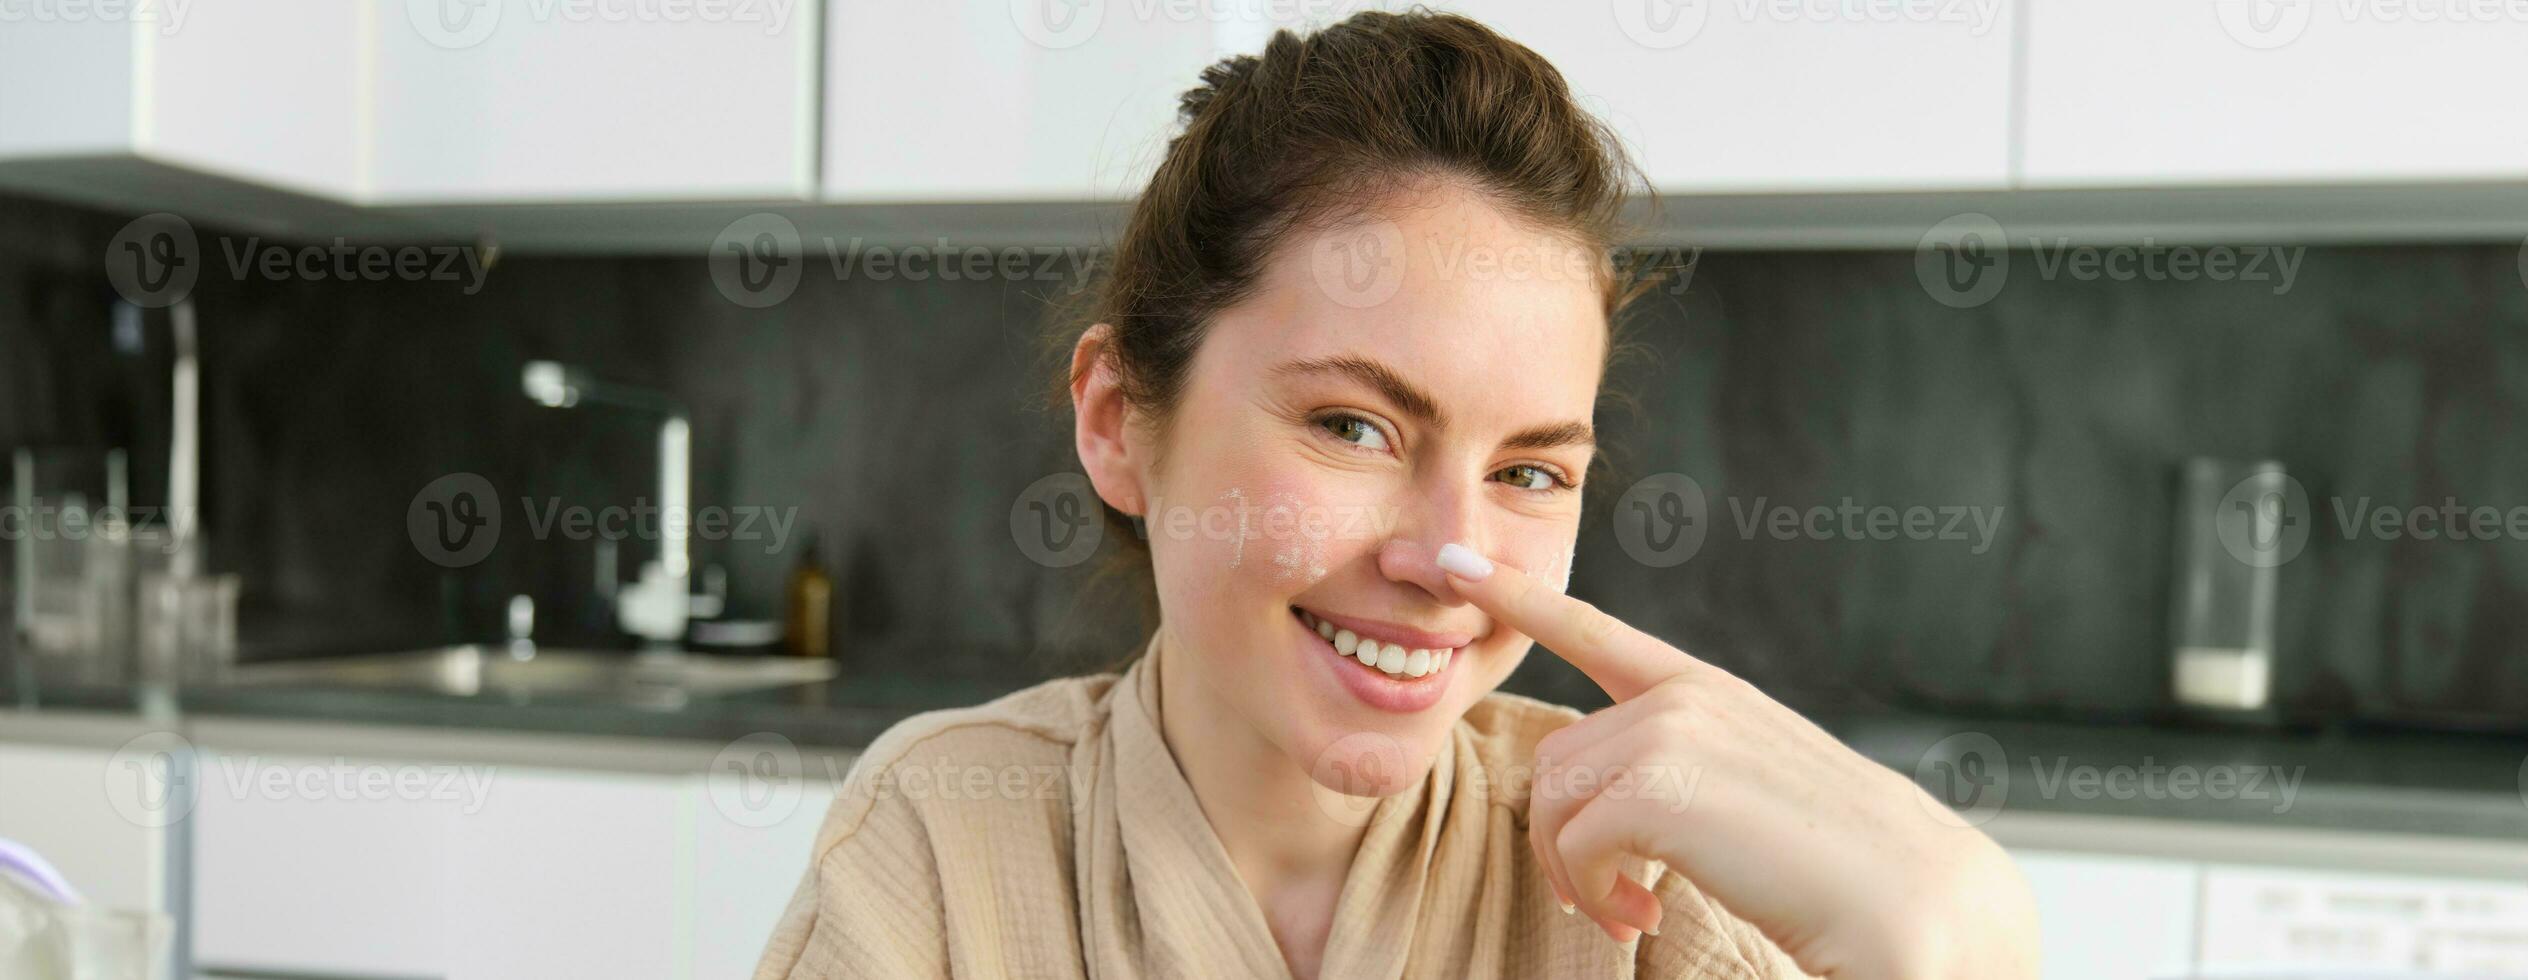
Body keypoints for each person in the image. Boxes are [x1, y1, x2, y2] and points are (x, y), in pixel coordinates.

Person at [758, 11, 2039, 978]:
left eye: (1528, 470)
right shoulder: (941, 840)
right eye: (1352, 425)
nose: (1450, 556)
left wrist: (1953, 939)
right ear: (1116, 421)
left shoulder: (1650, 884)